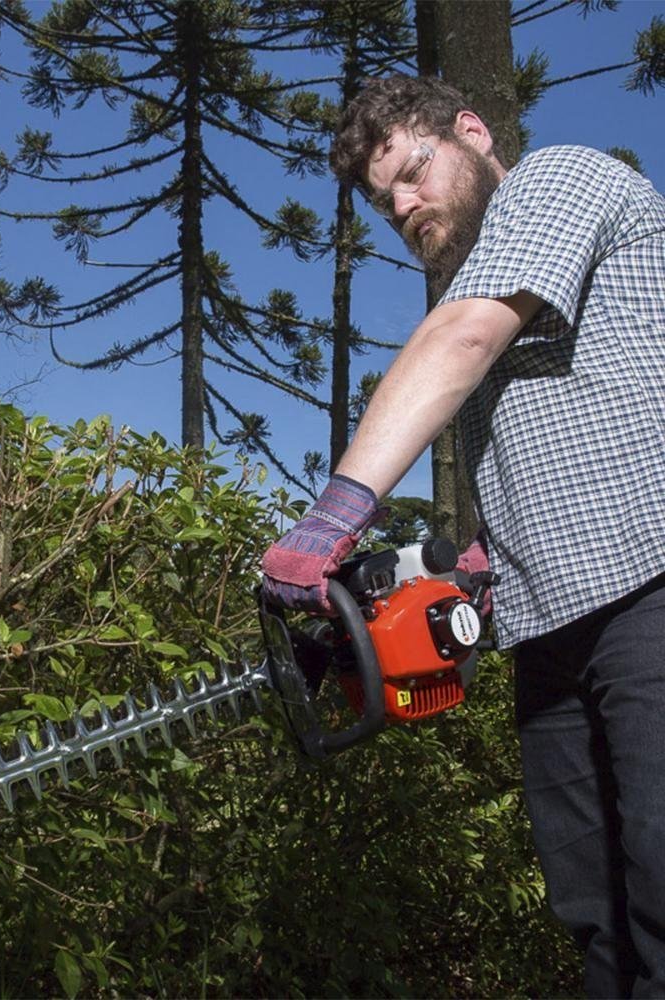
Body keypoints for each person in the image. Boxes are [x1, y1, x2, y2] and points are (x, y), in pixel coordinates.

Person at [260, 74, 665, 998]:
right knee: (596, 921)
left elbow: (465, 339)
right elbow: (548, 453)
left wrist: (337, 514)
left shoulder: (563, 180)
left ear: (473, 133)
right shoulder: (484, 277)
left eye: (412, 171)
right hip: (552, 637)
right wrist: (472, 569)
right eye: (381, 199)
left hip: (654, 591)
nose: (400, 206)